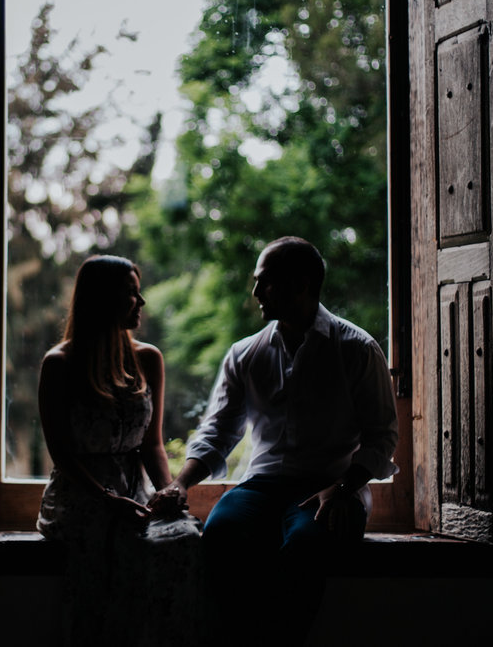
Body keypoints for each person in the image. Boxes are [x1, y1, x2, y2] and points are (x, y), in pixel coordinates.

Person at [150, 236, 399, 646]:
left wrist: (341, 489)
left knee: (306, 545)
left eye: (265, 282)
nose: (255, 293)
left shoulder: (356, 348)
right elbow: (219, 430)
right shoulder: (245, 354)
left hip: (333, 485)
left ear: (301, 285)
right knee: (222, 533)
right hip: (262, 486)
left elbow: (382, 435)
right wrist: (179, 484)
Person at [37, 254, 201, 647]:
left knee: (185, 539)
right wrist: (107, 498)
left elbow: (153, 443)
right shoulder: (59, 364)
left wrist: (167, 491)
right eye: (131, 293)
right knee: (108, 550)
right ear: (102, 298)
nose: (141, 302)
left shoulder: (148, 358)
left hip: (135, 488)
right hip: (82, 492)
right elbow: (60, 452)